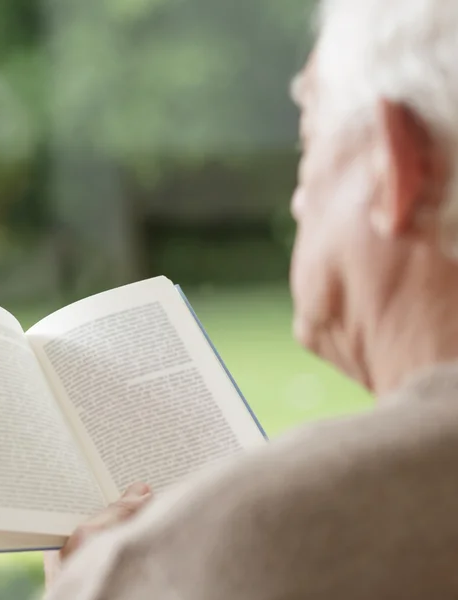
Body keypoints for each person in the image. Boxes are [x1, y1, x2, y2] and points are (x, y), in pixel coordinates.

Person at [45, 0, 458, 597]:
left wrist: (109, 580)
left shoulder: (237, 546)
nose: (297, 201)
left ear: (398, 166)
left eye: (309, 138)